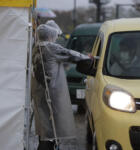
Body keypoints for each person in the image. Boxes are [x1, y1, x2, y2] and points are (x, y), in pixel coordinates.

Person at [32, 22, 90, 150]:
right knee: (52, 127)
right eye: (54, 36)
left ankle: (46, 144)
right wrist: (88, 57)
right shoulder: (50, 47)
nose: (55, 39)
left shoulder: (36, 47)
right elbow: (70, 54)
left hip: (39, 92)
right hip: (51, 92)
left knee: (45, 126)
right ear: (50, 36)